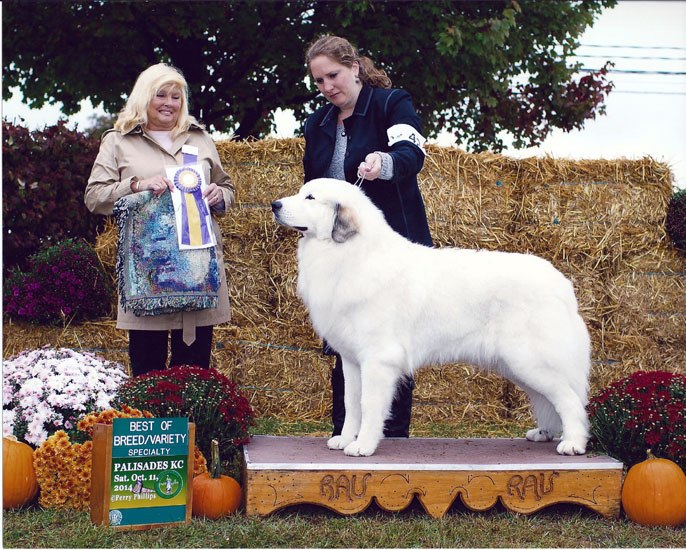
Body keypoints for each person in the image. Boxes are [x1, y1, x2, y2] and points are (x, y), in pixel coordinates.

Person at [302, 36, 433, 438]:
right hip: (340, 255)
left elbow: (413, 154)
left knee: (388, 344)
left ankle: (390, 438)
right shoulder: (317, 124)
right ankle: (347, 430)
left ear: (354, 68)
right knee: (346, 344)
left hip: (392, 250)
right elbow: (313, 187)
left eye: (333, 75)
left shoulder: (391, 103)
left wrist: (386, 161)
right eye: (319, 80)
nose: (327, 87)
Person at [85, 63, 234, 376]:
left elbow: (227, 187)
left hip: (197, 272)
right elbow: (95, 197)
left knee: (193, 371)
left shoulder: (200, 139)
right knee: (147, 368)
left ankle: (192, 426)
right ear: (143, 98)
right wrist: (137, 185)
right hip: (147, 274)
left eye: (176, 97)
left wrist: (219, 196)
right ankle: (152, 424)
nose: (169, 103)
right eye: (161, 95)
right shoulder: (117, 141)